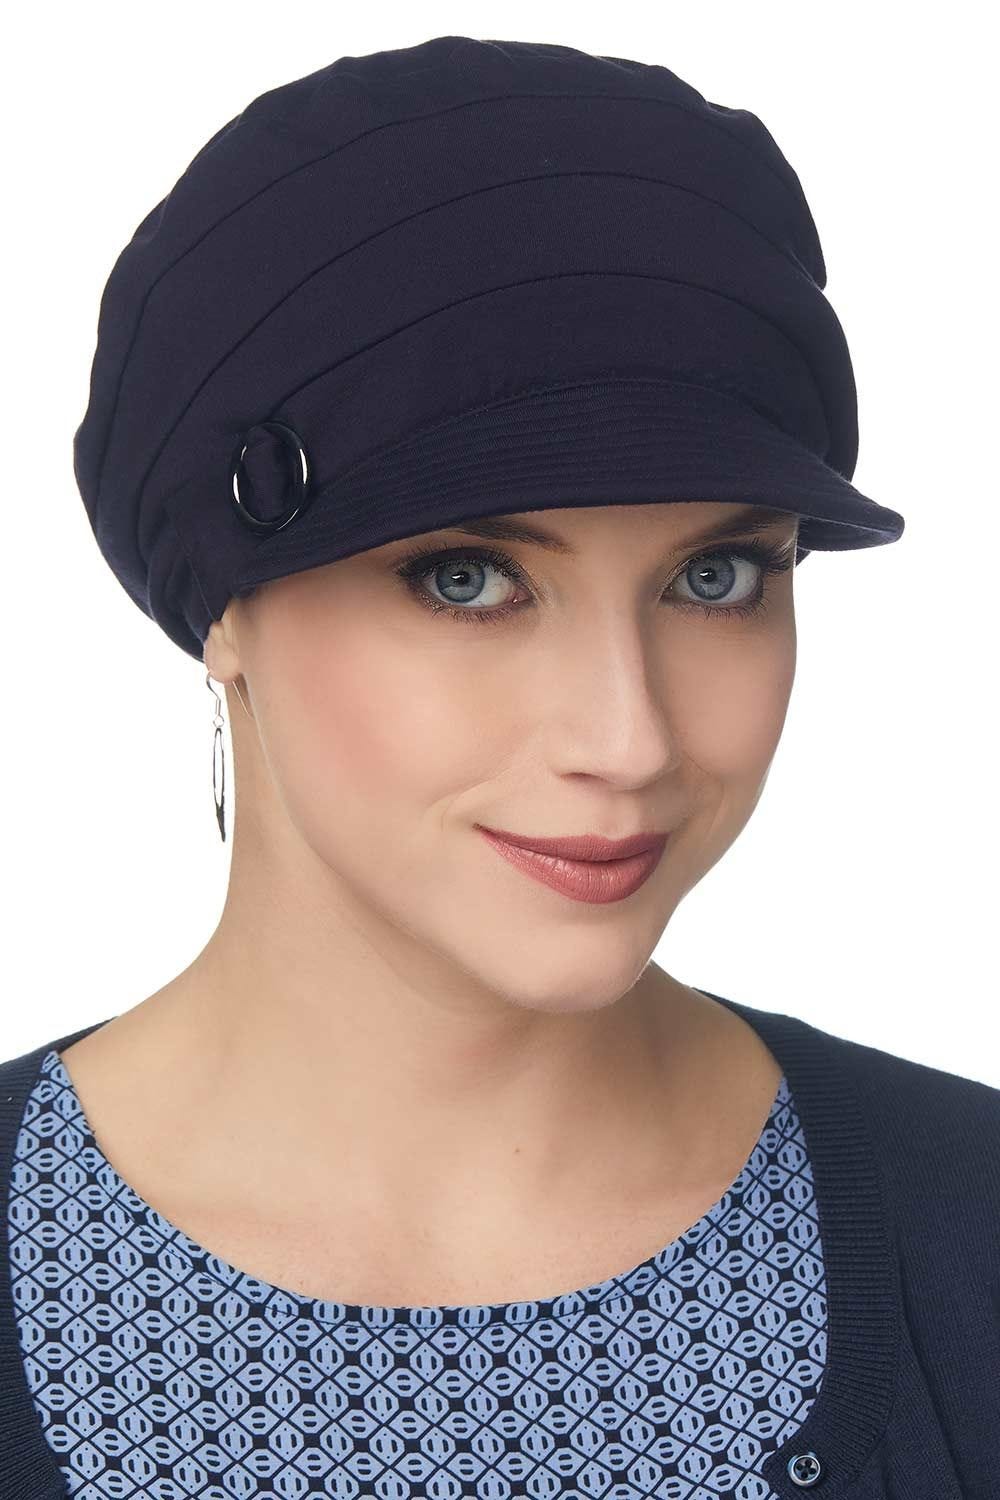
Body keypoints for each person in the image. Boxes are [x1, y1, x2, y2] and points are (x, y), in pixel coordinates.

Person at [1, 35, 996, 1500]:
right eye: (467, 579)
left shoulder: (971, 1237)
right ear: (224, 605)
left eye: (716, 576)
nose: (628, 739)